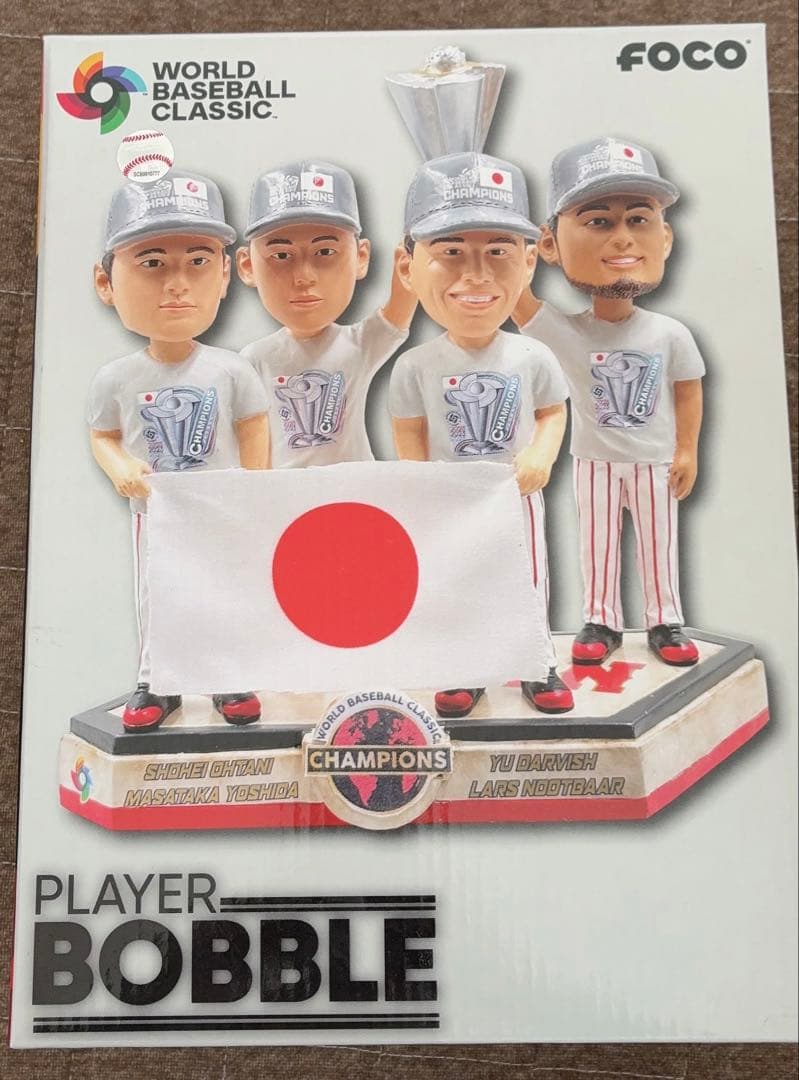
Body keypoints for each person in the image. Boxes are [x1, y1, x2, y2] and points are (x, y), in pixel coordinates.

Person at [389, 151, 574, 718]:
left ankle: (536, 663)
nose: (476, 274)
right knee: (456, 578)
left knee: (528, 578)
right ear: (408, 268)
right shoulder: (416, 365)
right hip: (451, 496)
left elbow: (553, 412)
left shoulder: (531, 354)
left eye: (498, 252)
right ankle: (465, 666)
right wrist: (419, 483)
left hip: (516, 490)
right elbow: (409, 430)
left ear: (529, 262)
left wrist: (542, 455)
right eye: (450, 253)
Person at [512, 136, 704, 667]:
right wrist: (511, 246)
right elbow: (518, 302)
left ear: (665, 237)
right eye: (599, 221)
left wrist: (687, 450)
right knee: (596, 542)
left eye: (639, 220)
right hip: (593, 459)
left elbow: (688, 389)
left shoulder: (670, 333)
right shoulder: (569, 332)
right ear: (550, 245)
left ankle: (665, 619)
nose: (622, 237)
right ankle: (601, 619)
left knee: (659, 540)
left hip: (655, 459)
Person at [89, 171, 269, 731]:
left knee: (227, 588)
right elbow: (103, 435)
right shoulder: (117, 377)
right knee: (159, 594)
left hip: (221, 505)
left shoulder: (231, 369)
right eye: (152, 264)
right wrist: (120, 466)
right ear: (106, 282)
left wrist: (255, 487)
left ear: (224, 276)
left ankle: (228, 676)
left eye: (197, 262)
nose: (177, 284)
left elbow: (253, 425)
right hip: (158, 508)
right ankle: (158, 681)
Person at [236, 161, 416, 467]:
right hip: (286, 488)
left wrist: (416, 246)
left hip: (354, 485)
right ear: (247, 265)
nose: (304, 277)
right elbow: (247, 435)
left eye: (325, 252)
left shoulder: (359, 344)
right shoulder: (255, 359)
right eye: (281, 255)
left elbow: (402, 301)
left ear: (361, 257)